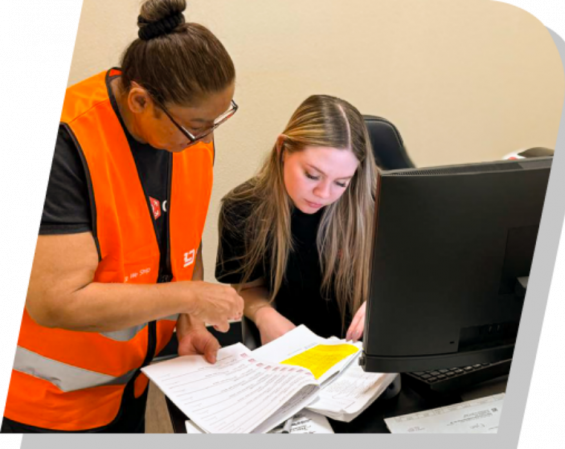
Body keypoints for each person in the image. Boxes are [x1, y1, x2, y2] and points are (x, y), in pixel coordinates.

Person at [3, 0, 244, 435]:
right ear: (140, 101)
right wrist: (189, 297)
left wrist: (188, 319)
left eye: (217, 121)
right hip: (46, 404)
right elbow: (55, 301)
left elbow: (184, 237)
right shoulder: (68, 143)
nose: (206, 138)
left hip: (130, 386)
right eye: (197, 125)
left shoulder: (188, 133)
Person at [215, 94, 378, 347]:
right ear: (283, 149)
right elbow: (247, 288)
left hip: (365, 351)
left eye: (341, 182)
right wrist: (262, 313)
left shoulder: (375, 200)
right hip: (292, 349)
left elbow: (415, 271)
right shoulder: (244, 209)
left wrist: (384, 301)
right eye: (312, 175)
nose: (323, 194)